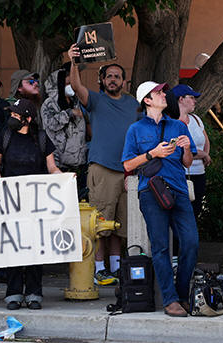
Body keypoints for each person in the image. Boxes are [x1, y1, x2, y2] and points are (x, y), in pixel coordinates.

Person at [122, 81, 197, 317]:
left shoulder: (178, 125)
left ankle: (182, 295)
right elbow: (127, 165)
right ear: (147, 100)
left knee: (191, 242)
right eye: (158, 92)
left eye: (163, 91)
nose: (164, 95)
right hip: (151, 192)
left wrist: (186, 148)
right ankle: (170, 300)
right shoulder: (135, 129)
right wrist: (152, 154)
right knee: (160, 246)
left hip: (179, 190)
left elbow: (187, 162)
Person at [67, 45, 138, 286]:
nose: (113, 79)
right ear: (102, 80)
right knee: (99, 224)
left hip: (128, 171)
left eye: (117, 76)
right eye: (109, 76)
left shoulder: (133, 104)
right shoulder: (96, 100)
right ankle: (98, 269)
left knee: (119, 224)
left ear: (124, 82)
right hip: (103, 169)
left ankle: (116, 268)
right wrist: (74, 62)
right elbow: (76, 86)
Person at [0, 98, 60, 310]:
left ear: (27, 119)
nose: (12, 118)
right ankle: (13, 294)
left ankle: (33, 294)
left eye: (16, 115)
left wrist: (63, 177)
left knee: (35, 247)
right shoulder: (5, 136)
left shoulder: (41, 138)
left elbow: (51, 167)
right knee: (13, 246)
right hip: (11, 202)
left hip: (36, 203)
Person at [41, 63, 88, 195]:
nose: (72, 85)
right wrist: (69, 113)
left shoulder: (76, 101)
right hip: (58, 164)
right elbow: (51, 124)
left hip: (78, 163)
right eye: (68, 82)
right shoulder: (49, 103)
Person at [172, 84, 210, 218]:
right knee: (181, 213)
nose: (195, 101)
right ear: (181, 99)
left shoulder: (196, 119)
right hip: (181, 174)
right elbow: (179, 150)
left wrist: (206, 154)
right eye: (192, 97)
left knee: (196, 210)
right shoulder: (172, 122)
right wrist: (203, 155)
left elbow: (206, 140)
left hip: (199, 172)